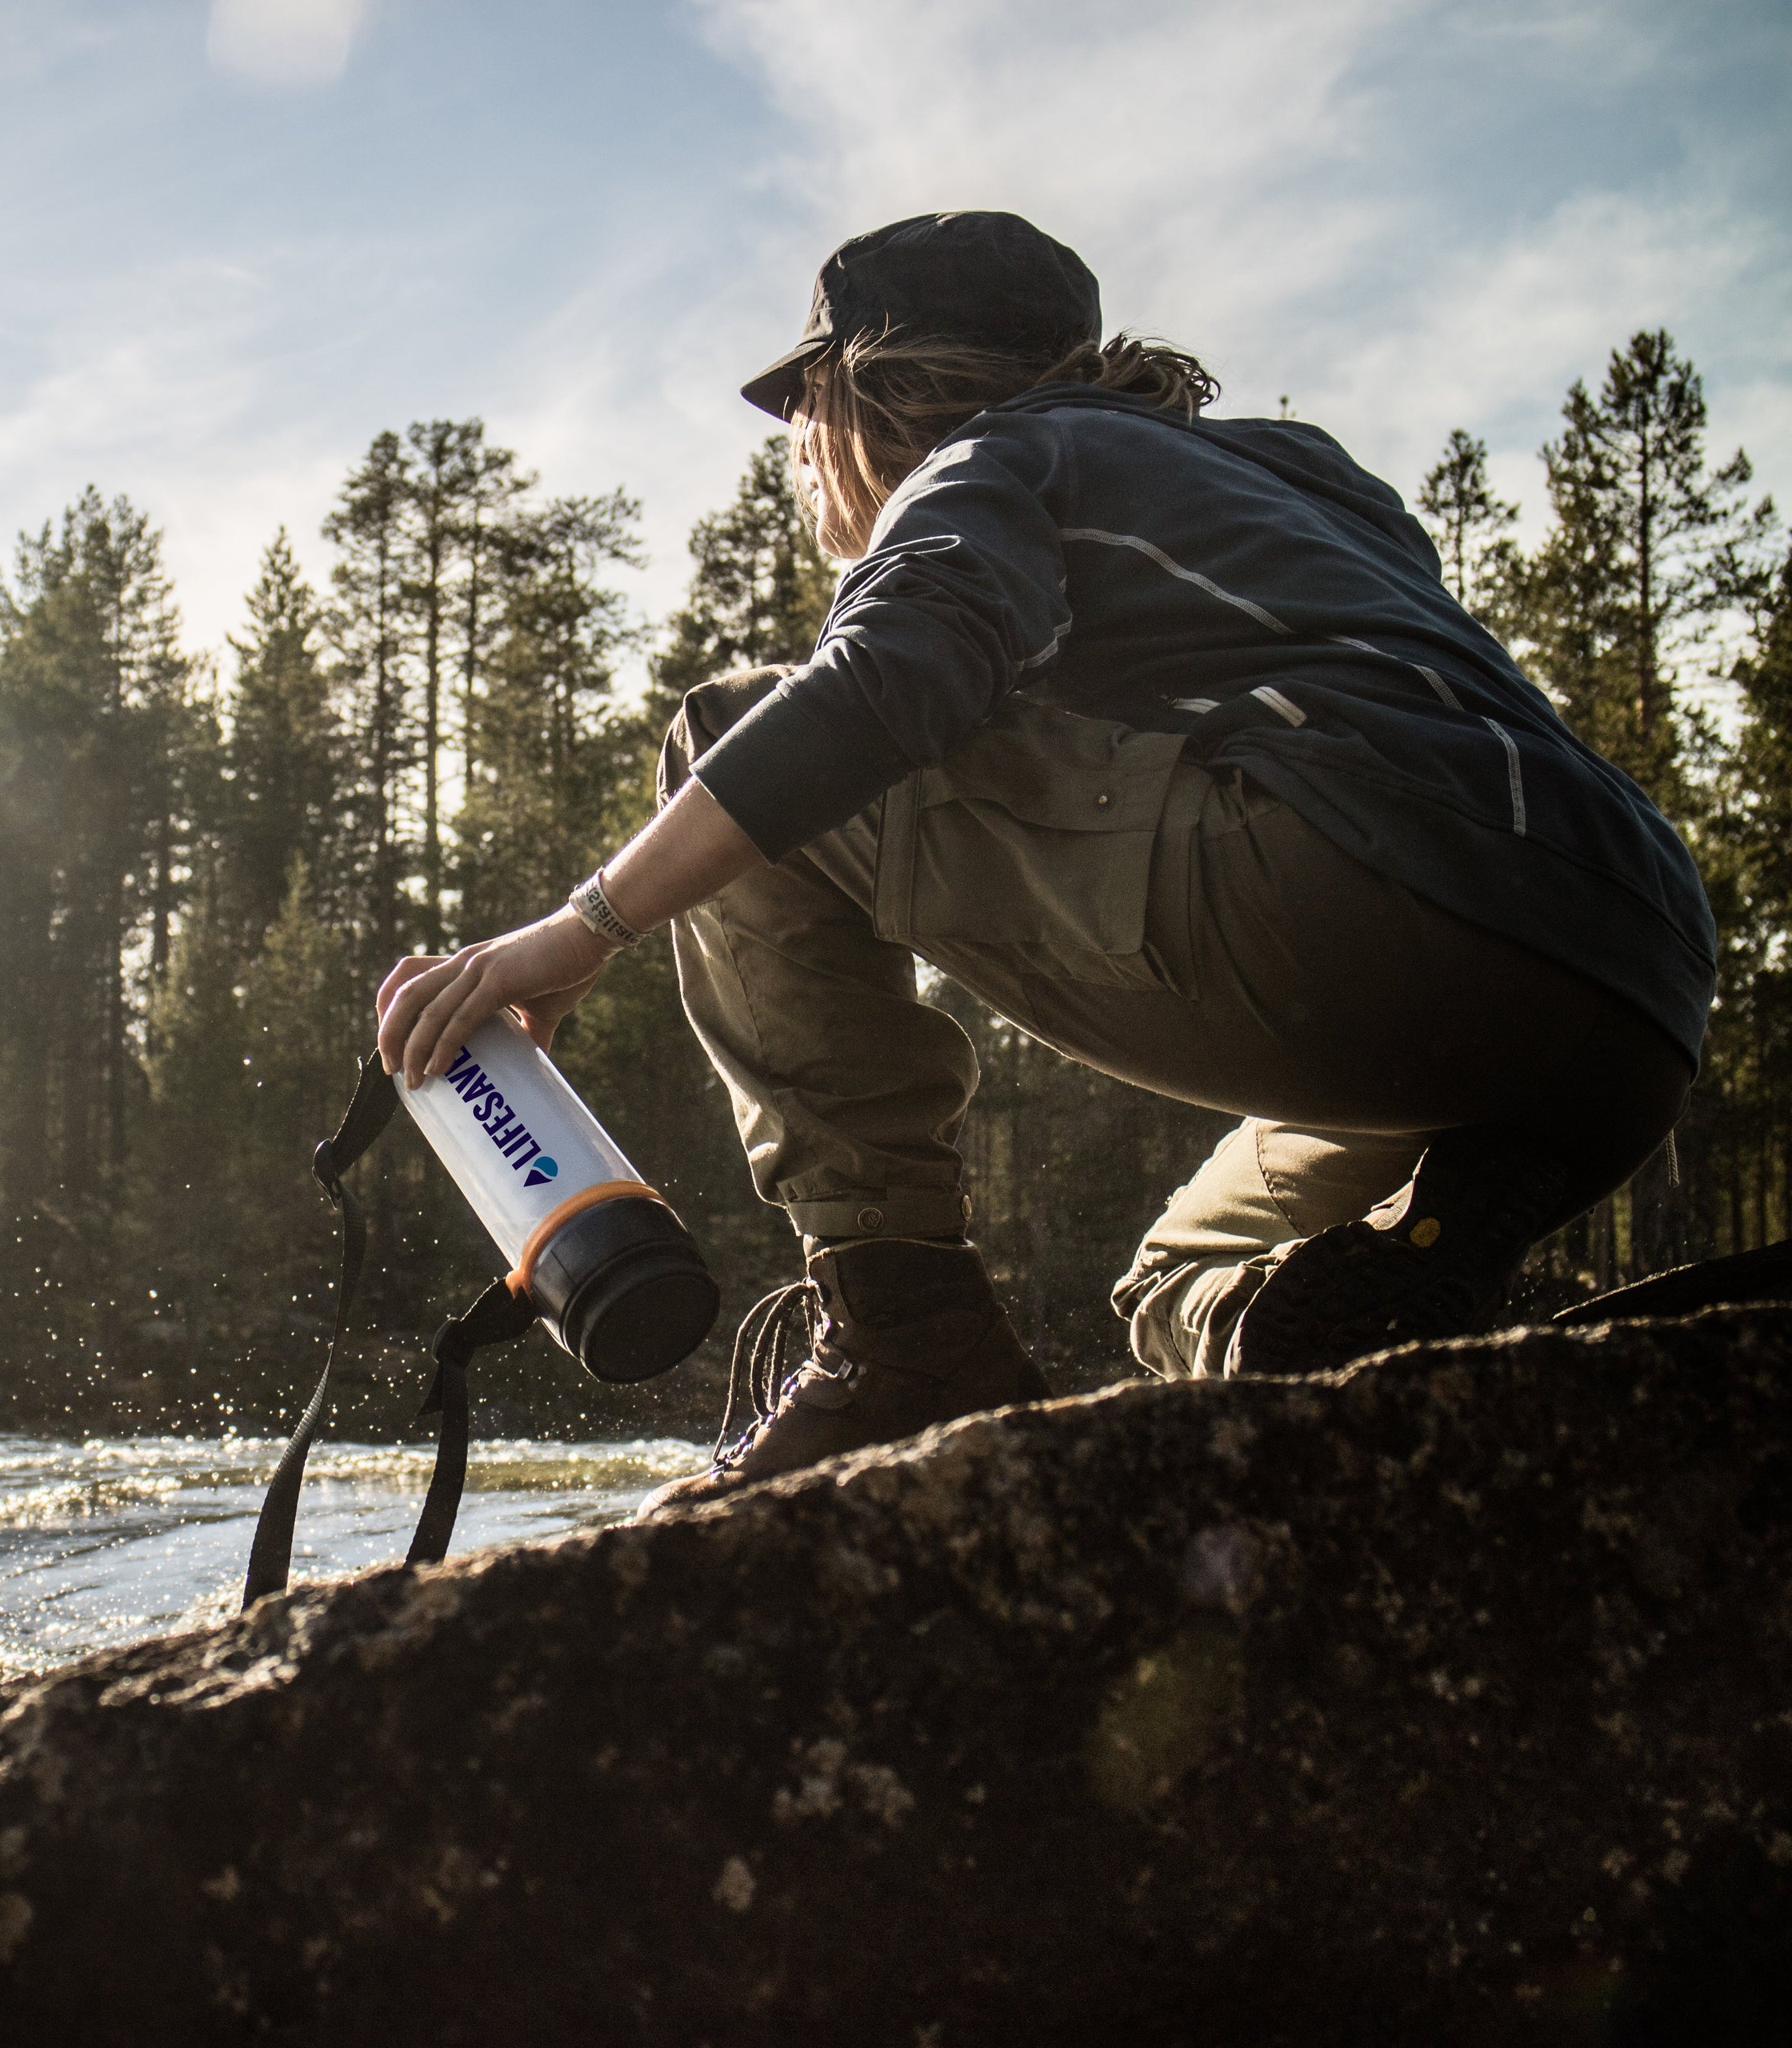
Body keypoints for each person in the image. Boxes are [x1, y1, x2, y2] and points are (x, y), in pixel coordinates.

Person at [373, 211, 1711, 1516]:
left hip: (1365, 912)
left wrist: (584, 925)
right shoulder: (1303, 477)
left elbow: (894, 679)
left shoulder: (1000, 456)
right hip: (1633, 998)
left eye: (805, 413)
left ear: (870, 392)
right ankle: (1413, 1273)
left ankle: (904, 1341)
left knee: (731, 735)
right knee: (1183, 1280)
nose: (796, 453)